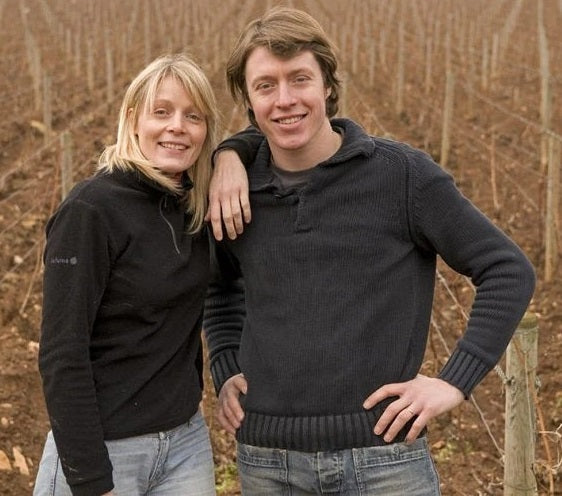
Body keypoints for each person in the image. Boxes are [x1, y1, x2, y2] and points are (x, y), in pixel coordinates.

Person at [203, 7, 536, 495]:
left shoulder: (401, 176)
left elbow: (506, 269)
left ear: (328, 87)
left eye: (300, 79)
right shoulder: (234, 192)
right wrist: (226, 366)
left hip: (385, 463)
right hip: (266, 463)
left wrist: (453, 381)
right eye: (265, 85)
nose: (286, 99)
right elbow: (220, 287)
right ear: (248, 102)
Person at [34, 53, 243, 496]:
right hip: (105, 450)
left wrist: (233, 156)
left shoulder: (196, 206)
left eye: (194, 116)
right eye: (161, 112)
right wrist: (91, 479)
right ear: (132, 119)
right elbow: (61, 354)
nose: (177, 127)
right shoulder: (91, 211)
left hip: (185, 445)